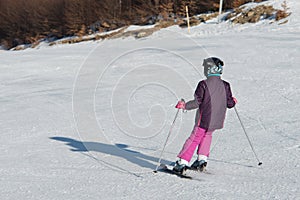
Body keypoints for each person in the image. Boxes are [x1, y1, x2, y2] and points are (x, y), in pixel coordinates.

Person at [173, 57, 237, 173]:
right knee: (207, 136)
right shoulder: (226, 85)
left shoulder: (203, 84)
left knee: (194, 138)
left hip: (204, 119)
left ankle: (182, 162)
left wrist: (184, 106)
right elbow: (229, 103)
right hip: (217, 119)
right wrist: (233, 101)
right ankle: (202, 160)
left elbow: (197, 102)